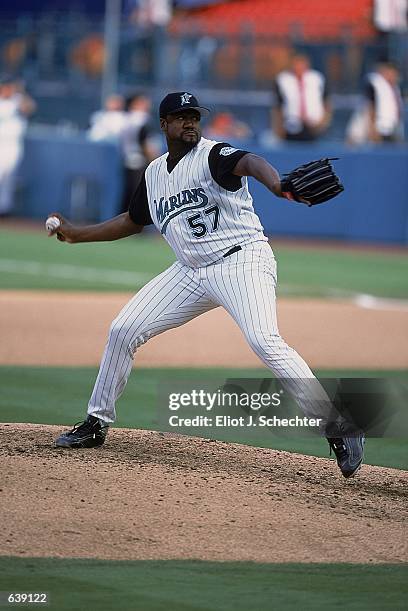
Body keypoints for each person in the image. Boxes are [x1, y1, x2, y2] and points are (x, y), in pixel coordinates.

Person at [49, 91, 364, 479]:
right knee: (123, 328)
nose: (190, 123)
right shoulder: (153, 174)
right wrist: (78, 234)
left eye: (194, 116)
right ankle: (96, 423)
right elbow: (132, 220)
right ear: (163, 124)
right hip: (190, 270)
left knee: (265, 340)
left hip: (241, 259)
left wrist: (278, 184)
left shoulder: (214, 155)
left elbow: (251, 161)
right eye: (181, 117)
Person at [273, 53, 331, 142]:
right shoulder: (283, 80)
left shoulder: (317, 78)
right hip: (291, 126)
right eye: (296, 64)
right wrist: (278, 128)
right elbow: (277, 106)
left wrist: (323, 122)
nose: (299, 67)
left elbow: (327, 102)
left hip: (315, 126)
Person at [0, 77, 35, 217]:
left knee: (9, 178)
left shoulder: (17, 100)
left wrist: (20, 91)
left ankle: (3, 209)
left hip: (13, 145)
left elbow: (30, 107)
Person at [119, 93, 159, 214]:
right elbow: (145, 141)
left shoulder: (126, 118)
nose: (147, 104)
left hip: (128, 158)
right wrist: (155, 159)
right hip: (140, 159)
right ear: (135, 104)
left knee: (129, 194)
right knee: (139, 194)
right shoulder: (141, 119)